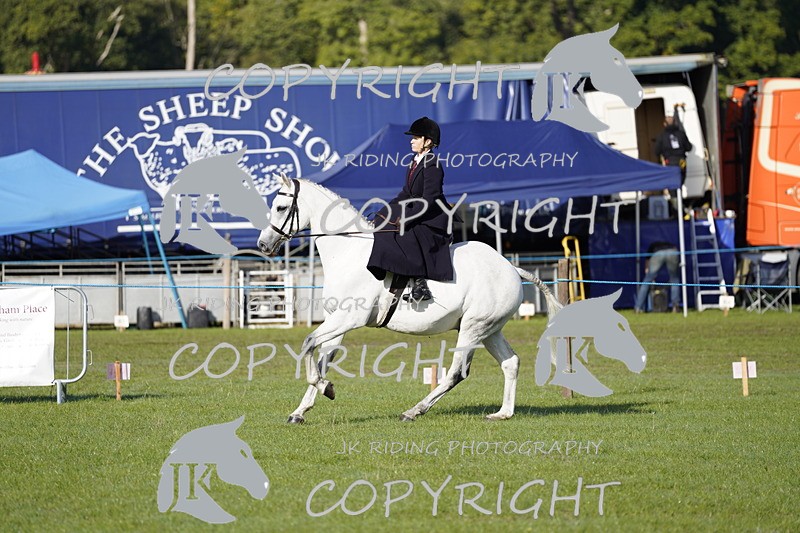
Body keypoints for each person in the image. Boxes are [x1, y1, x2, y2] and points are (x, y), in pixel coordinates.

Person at [366, 117, 455, 302]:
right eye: (412, 138)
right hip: (418, 211)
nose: (411, 141)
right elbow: (406, 193)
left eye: (416, 138)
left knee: (407, 231)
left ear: (428, 142)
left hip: (432, 218)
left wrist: (408, 218)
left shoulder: (433, 164)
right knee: (384, 223)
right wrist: (386, 211)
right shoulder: (414, 161)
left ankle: (420, 284)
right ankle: (387, 269)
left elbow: (430, 199)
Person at [635, 241, 680, 313]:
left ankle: (638, 307)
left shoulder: (652, 246)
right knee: (674, 279)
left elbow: (647, 259)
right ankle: (675, 306)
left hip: (657, 253)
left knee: (647, 281)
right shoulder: (670, 243)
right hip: (672, 251)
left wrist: (647, 271)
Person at [654, 114, 692, 185]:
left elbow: (657, 151)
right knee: (682, 176)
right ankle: (679, 191)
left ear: (665, 124)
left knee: (671, 180)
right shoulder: (681, 134)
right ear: (675, 123)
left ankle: (674, 195)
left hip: (669, 161)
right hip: (681, 161)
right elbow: (689, 147)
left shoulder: (661, 136)